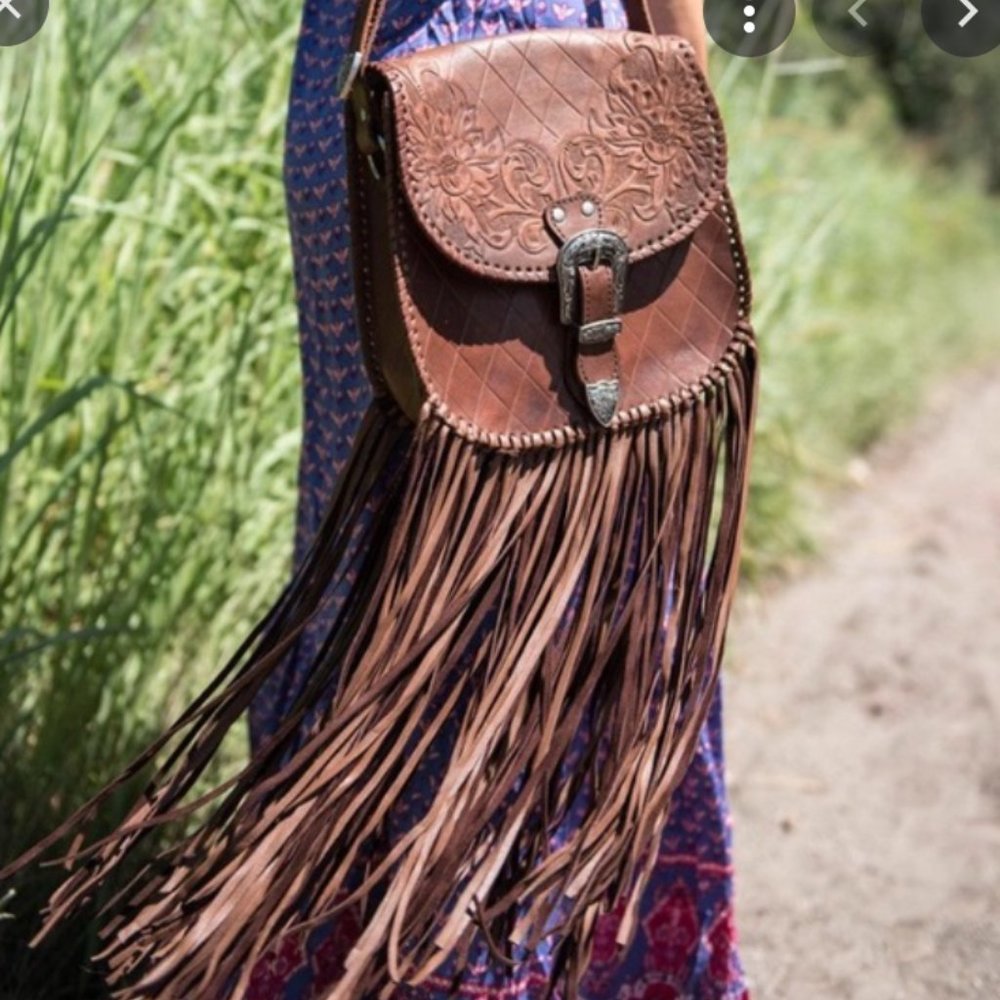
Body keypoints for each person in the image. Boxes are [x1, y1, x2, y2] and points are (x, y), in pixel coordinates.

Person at [244, 0, 750, 997]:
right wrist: (680, 99)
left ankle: (381, 947)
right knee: (542, 567)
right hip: (530, 97)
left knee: (398, 557)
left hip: (418, 91)